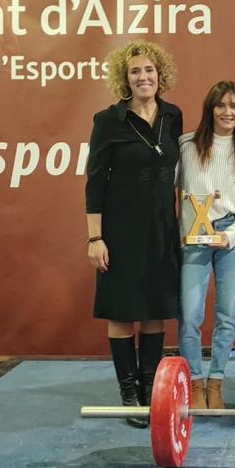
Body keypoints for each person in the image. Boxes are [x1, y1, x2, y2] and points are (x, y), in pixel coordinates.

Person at [85, 40, 182, 427]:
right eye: (135, 71)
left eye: (149, 70)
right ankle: (129, 392)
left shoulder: (174, 116)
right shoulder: (107, 120)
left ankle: (149, 388)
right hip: (120, 232)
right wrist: (95, 238)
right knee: (124, 312)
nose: (144, 77)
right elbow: (94, 183)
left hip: (162, 231)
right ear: (124, 79)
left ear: (161, 75)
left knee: (155, 310)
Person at [177, 81, 235, 410]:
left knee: (227, 315)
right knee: (189, 315)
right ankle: (195, 382)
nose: (228, 112)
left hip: (231, 238)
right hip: (193, 238)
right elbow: (167, 190)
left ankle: (216, 382)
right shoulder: (186, 146)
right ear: (209, 109)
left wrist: (234, 235)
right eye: (221, 105)